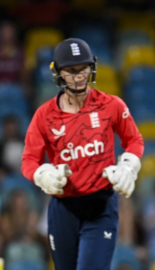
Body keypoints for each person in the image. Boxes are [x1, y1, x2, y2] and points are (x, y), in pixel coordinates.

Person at [21, 38, 144, 270]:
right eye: (71, 70)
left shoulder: (112, 105)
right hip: (63, 209)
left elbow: (134, 140)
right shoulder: (43, 115)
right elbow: (29, 160)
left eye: (83, 69)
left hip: (100, 205)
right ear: (57, 72)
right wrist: (42, 175)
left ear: (92, 67)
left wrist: (129, 165)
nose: (78, 76)